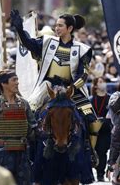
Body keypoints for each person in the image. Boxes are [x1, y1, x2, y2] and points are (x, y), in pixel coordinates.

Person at [11, 10, 100, 163]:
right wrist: (19, 29)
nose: (56, 28)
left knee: (93, 120)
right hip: (47, 87)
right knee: (29, 113)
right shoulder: (46, 42)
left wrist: (70, 89)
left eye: (60, 26)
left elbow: (83, 74)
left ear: (70, 28)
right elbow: (29, 43)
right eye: (56, 25)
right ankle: (26, 152)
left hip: (73, 90)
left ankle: (91, 152)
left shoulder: (83, 49)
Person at [0, 71, 36, 185]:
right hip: (1, 155)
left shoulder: (24, 104)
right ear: (3, 83)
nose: (17, 83)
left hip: (22, 155)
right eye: (14, 80)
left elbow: (32, 129)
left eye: (17, 80)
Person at [90, 77, 111, 182]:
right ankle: (90, 172)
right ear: (95, 85)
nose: (103, 84)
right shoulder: (91, 100)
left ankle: (100, 174)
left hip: (105, 130)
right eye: (101, 82)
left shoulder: (110, 99)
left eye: (104, 81)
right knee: (92, 151)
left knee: (102, 152)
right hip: (93, 131)